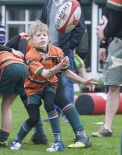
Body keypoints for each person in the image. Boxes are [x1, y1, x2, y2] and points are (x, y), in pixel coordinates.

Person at [9, 21, 95, 152]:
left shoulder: (56, 51)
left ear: (49, 37)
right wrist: (59, 66)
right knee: (33, 118)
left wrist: (83, 81)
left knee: (49, 104)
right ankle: (17, 139)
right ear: (32, 40)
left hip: (49, 85)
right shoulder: (31, 55)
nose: (42, 37)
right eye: (38, 35)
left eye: (44, 34)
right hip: (32, 89)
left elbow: (65, 71)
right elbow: (45, 73)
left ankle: (58, 142)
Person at [40, 0, 86, 118]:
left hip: (64, 49)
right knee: (52, 81)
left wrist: (70, 45)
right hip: (49, 50)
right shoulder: (47, 4)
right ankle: (54, 112)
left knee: (66, 81)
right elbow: (41, 25)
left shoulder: (73, 4)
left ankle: (68, 114)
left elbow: (80, 28)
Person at [94, 0, 122, 137]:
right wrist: (103, 43)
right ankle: (107, 128)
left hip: (115, 37)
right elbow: (109, 14)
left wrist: (105, 32)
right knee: (113, 85)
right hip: (118, 43)